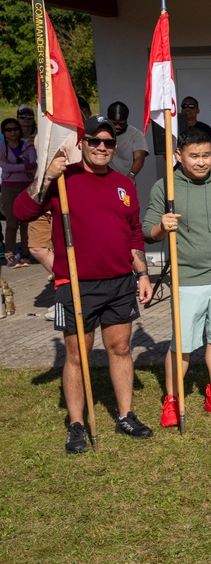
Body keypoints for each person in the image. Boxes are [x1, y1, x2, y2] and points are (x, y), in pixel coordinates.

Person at [14, 115, 154, 453]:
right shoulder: (64, 180)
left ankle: (125, 415)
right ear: (83, 143)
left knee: (120, 348)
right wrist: (46, 176)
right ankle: (76, 425)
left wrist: (143, 273)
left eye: (107, 142)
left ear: (114, 146)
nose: (101, 147)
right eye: (94, 141)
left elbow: (134, 234)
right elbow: (22, 212)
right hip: (76, 283)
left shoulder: (125, 184)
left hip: (120, 282)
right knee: (77, 355)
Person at [144, 127, 211, 427]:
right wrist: (161, 227)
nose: (201, 161)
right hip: (186, 280)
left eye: (206, 154)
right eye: (194, 156)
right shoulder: (165, 186)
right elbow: (147, 231)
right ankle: (172, 400)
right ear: (178, 155)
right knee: (182, 344)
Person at [1, 118, 37, 268]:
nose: (13, 132)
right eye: (8, 130)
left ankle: (25, 252)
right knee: (11, 222)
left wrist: (14, 167)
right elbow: (4, 167)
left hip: (26, 186)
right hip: (9, 187)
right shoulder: (2, 147)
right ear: (4, 133)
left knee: (26, 221)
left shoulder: (28, 146)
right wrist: (24, 166)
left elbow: (34, 163)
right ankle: (9, 252)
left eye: (15, 129)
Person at [105, 102, 151, 181]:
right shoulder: (102, 133)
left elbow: (139, 157)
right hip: (105, 179)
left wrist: (131, 174)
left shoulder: (135, 134)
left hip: (125, 179)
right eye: (115, 124)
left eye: (121, 124)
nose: (118, 127)